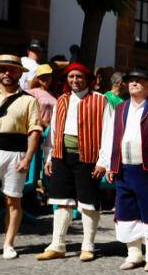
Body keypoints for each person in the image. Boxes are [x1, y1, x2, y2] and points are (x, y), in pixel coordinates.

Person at [98, 68, 148, 271]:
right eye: (131, 81)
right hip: (124, 168)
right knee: (126, 210)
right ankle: (134, 254)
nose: (134, 84)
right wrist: (107, 163)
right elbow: (109, 138)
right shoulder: (120, 109)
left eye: (139, 81)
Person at [37, 62, 113, 262]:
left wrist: (103, 161)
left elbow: (109, 133)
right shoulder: (62, 100)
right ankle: (58, 244)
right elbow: (53, 131)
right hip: (62, 156)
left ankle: (87, 245)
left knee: (88, 202)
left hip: (87, 157)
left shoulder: (100, 100)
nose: (75, 81)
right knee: (61, 200)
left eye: (79, 77)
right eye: (71, 77)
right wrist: (50, 156)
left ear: (87, 79)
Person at [0, 54, 44, 259]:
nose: (7, 73)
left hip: (15, 155)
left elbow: (34, 131)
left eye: (11, 70)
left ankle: (9, 244)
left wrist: (27, 158)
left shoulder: (29, 100)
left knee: (13, 200)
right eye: (2, 69)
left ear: (20, 73)